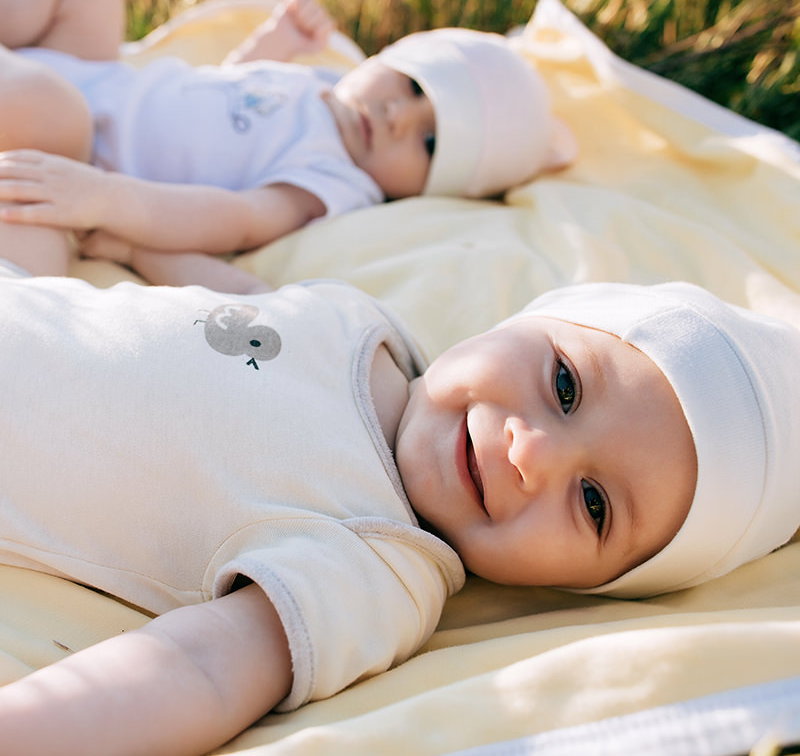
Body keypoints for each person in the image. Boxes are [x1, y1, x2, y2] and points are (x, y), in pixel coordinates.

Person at [1, 189, 799, 754]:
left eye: (593, 504)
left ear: (592, 585)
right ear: (531, 319)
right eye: (564, 385)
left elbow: (198, 671)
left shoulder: (380, 564)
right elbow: (245, 304)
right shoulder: (368, 326)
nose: (534, 453)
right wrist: (127, 230)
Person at [0, 0, 576, 261]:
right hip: (97, 74)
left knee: (56, 112)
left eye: (428, 144)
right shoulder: (325, 82)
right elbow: (225, 94)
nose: (400, 117)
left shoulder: (334, 180)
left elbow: (237, 217)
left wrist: (105, 199)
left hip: (78, 153)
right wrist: (274, 44)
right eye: (414, 87)